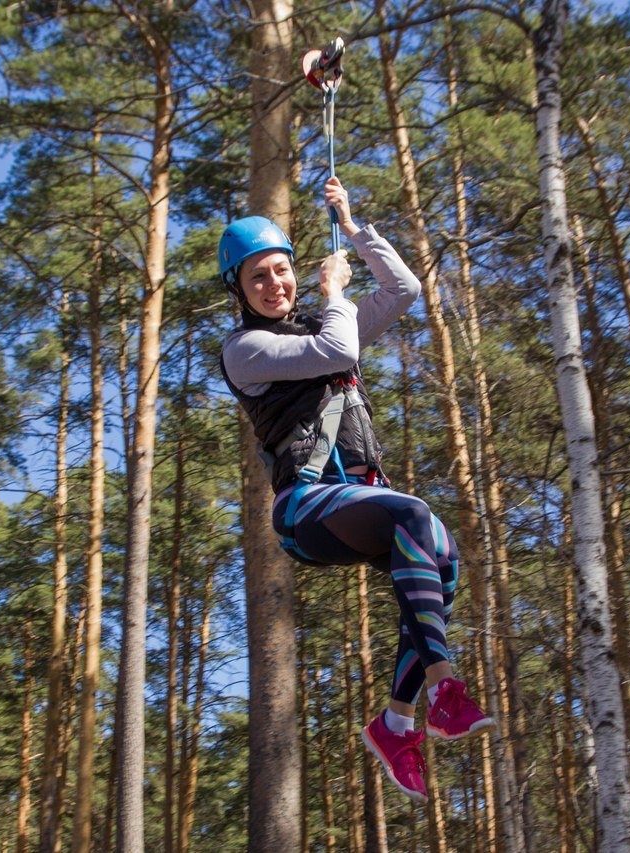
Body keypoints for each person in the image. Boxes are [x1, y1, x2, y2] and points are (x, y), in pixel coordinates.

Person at [218, 176, 495, 804]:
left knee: (443, 566)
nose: (275, 285)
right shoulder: (246, 349)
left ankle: (396, 723)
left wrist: (353, 228)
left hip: (367, 502)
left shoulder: (320, 323)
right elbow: (338, 345)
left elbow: (404, 290)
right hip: (307, 509)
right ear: (237, 288)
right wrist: (337, 291)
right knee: (413, 516)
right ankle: (446, 690)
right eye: (258, 277)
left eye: (281, 271)